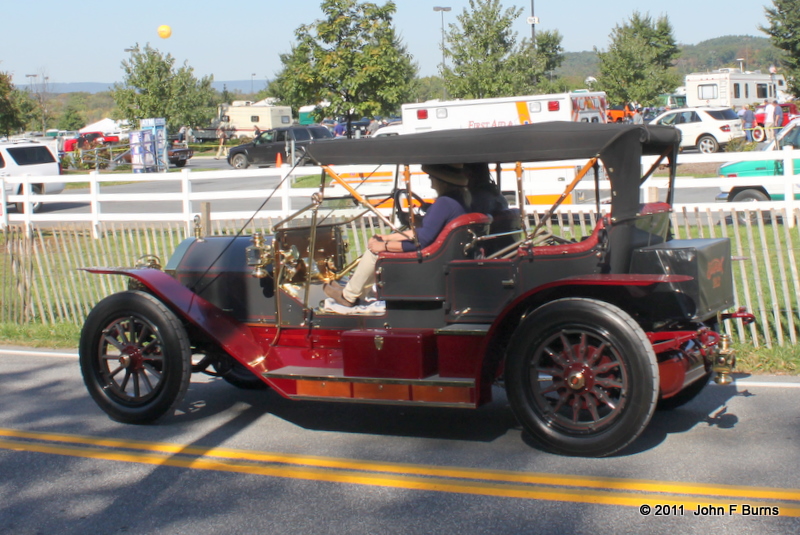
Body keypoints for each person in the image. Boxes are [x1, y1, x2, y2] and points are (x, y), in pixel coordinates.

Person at [324, 164, 471, 307]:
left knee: (374, 252)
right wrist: (387, 237)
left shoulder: (444, 203)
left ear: (441, 181)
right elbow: (424, 231)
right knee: (379, 244)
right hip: (441, 255)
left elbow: (422, 240)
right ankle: (356, 292)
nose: (431, 182)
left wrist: (384, 245)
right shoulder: (458, 200)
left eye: (432, 177)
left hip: (430, 259)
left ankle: (348, 296)